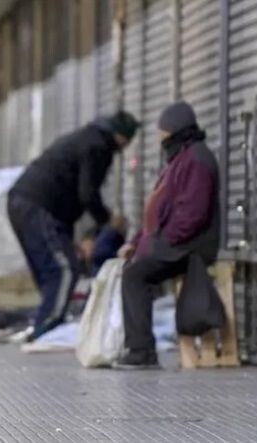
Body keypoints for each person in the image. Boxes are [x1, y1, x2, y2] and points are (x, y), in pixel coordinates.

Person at [7, 111, 139, 342]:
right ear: (122, 137)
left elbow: (73, 196)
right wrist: (107, 220)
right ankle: (46, 330)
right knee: (64, 270)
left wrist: (77, 239)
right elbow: (87, 194)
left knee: (51, 271)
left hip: (25, 203)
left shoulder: (87, 138)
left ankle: (46, 324)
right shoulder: (98, 147)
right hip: (37, 206)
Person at [114, 102, 220, 369]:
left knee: (135, 275)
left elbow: (192, 216)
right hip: (176, 242)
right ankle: (138, 348)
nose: (160, 139)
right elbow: (157, 212)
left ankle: (141, 352)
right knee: (132, 268)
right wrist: (136, 243)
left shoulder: (195, 160)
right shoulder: (179, 159)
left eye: (163, 133)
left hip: (190, 245)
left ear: (174, 131)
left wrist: (160, 244)